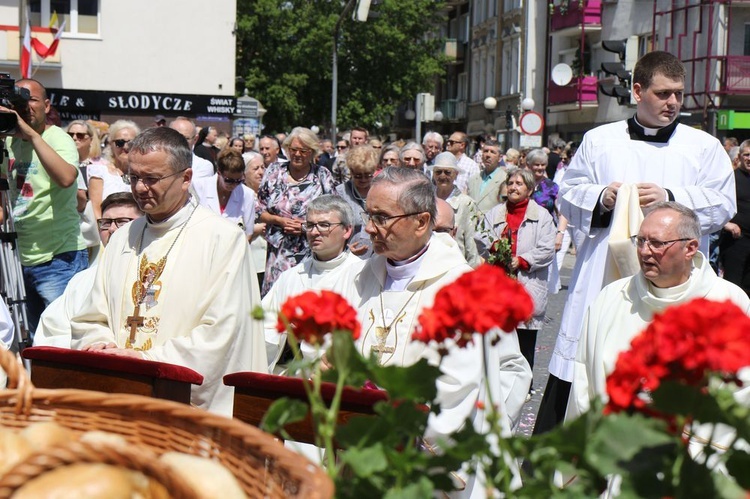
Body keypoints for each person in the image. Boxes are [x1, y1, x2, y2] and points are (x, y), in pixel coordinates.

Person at [537, 50, 738, 434]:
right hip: (603, 274)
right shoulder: (599, 140)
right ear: (638, 90)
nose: (673, 102)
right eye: (663, 93)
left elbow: (722, 204)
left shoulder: (703, 146)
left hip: (676, 283)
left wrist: (670, 195)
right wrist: (602, 198)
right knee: (589, 361)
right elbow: (568, 194)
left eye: (678, 93)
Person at [335, 167, 531, 495]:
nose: (368, 228)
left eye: (381, 217)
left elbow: (461, 389)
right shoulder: (357, 278)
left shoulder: (463, 290)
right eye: (368, 214)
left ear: (422, 222)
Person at [70, 127, 267, 415]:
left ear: (186, 178)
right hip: (122, 398)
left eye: (152, 179)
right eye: (134, 177)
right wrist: (100, 346)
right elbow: (91, 317)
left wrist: (145, 359)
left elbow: (224, 334)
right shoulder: (123, 238)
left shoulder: (223, 239)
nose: (139, 188)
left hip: (185, 411)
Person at [565, 203, 750, 471]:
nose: (643, 251)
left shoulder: (730, 303)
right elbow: (584, 382)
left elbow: (742, 391)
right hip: (614, 461)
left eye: (656, 243)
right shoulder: (612, 298)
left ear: (690, 248)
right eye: (640, 241)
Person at [1, 78, 87, 334]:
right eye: (19, 101)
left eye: (32, 99)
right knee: (35, 338)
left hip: (58, 258)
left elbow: (66, 178)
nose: (25, 106)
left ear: (47, 106)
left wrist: (29, 133)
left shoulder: (57, 137)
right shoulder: (8, 141)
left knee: (62, 337)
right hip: (19, 260)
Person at [262, 195, 361, 372]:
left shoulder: (360, 275)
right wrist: (287, 334)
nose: (314, 232)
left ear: (347, 230)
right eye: (310, 225)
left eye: (324, 225)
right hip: (288, 378)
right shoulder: (291, 276)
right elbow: (261, 327)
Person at [35, 193, 144, 347]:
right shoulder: (81, 281)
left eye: (122, 222)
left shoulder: (152, 273)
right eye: (106, 223)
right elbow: (53, 329)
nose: (112, 229)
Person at [476, 168, 556, 378]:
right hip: (499, 285)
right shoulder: (495, 213)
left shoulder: (542, 216)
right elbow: (481, 236)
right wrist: (495, 248)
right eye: (510, 183)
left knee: (524, 341)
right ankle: (495, 381)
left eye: (519, 184)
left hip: (527, 285)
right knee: (497, 337)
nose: (513, 187)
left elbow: (547, 249)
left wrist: (521, 260)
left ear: (529, 189)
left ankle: (525, 384)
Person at [257, 127, 335, 295]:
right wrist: (279, 221)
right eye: (293, 150)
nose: (297, 154)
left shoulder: (322, 176)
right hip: (278, 253)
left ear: (312, 152)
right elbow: (259, 210)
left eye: (303, 150)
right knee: (275, 302)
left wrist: (306, 227)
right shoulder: (274, 171)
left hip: (311, 252)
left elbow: (335, 214)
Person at [192, 149, 256, 240]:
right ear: (219, 172)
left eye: (239, 181)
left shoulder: (247, 194)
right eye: (229, 180)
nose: (234, 185)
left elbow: (248, 233)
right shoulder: (198, 187)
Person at [432, 152, 481, 267]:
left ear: (456, 174)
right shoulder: (426, 199)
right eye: (438, 172)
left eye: (448, 172)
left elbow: (471, 242)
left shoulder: (466, 203)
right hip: (431, 262)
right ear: (433, 174)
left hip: (455, 264)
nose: (442, 176)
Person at [88, 119, 140, 220]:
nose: (125, 147)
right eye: (119, 143)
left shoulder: (143, 174)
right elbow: (96, 210)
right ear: (111, 145)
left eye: (131, 142)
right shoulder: (100, 172)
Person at [335, 144, 378, 258]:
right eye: (358, 175)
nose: (363, 180)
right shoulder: (340, 192)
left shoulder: (380, 190)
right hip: (349, 254)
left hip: (378, 254)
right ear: (351, 172)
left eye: (368, 175)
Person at [720, 139, 750, 296]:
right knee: (733, 286)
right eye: (747, 154)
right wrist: (727, 224)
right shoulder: (730, 179)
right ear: (739, 156)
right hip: (736, 241)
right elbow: (717, 205)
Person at [244, 151, 268, 289]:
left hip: (267, 261)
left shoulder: (269, 194)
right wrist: (255, 229)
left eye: (263, 167)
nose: (261, 172)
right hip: (251, 259)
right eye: (255, 168)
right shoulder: (241, 195)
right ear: (245, 173)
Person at [467, 139, 507, 215]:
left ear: (500, 158)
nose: (488, 155)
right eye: (485, 151)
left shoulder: (505, 179)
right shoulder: (473, 179)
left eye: (492, 152)